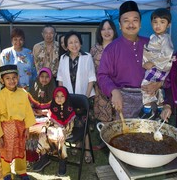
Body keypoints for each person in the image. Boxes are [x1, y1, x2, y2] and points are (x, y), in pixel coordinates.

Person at [98, 0, 161, 119]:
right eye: (126, 21)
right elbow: (102, 75)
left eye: (135, 20)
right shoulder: (111, 49)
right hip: (123, 100)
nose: (131, 25)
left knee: (150, 135)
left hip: (149, 97)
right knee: (125, 135)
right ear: (120, 25)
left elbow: (165, 68)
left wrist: (159, 83)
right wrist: (114, 91)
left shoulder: (152, 45)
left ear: (140, 23)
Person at [57, 30, 96, 164]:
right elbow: (60, 79)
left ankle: (86, 150)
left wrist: (84, 98)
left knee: (83, 124)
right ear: (66, 46)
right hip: (69, 98)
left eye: (76, 42)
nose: (74, 45)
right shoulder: (63, 58)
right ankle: (77, 145)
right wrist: (61, 96)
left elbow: (91, 79)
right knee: (72, 122)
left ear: (80, 43)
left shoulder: (87, 57)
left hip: (85, 97)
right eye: (70, 43)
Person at [0, 65, 36, 180]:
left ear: (18, 77)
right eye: (7, 78)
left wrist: (27, 128)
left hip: (20, 127)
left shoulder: (23, 93)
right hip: (5, 128)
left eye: (14, 77)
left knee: (20, 148)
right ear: (2, 80)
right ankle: (6, 172)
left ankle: (21, 170)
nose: (11, 80)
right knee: (5, 150)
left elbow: (27, 111)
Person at [139, 8, 174, 119]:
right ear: (151, 23)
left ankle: (148, 110)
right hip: (155, 67)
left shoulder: (165, 39)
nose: (158, 25)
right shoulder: (154, 37)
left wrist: (153, 64)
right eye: (155, 22)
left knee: (146, 85)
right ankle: (159, 108)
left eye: (162, 22)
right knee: (157, 88)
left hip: (159, 67)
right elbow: (148, 53)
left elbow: (166, 55)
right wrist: (145, 63)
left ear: (168, 25)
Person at [32, 86, 76, 176]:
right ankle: (44, 157)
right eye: (57, 96)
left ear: (66, 97)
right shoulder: (53, 107)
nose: (59, 99)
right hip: (53, 128)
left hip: (65, 130)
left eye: (62, 96)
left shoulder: (69, 108)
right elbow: (49, 122)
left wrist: (62, 130)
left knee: (60, 139)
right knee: (43, 135)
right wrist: (45, 129)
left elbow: (70, 125)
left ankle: (62, 159)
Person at [90, 19, 118, 150]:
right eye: (103, 29)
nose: (106, 32)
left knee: (117, 115)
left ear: (114, 30)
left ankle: (117, 142)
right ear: (99, 32)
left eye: (109, 28)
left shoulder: (119, 46)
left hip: (118, 88)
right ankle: (105, 142)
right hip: (100, 89)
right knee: (104, 117)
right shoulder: (95, 49)